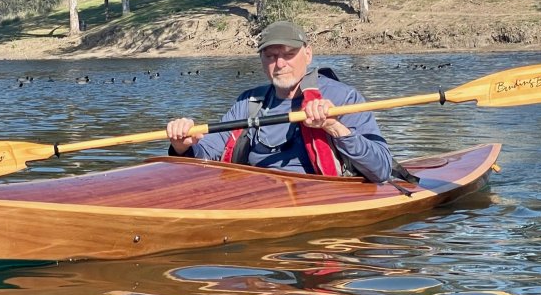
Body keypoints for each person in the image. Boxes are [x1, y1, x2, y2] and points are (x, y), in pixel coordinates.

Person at [166, 21, 393, 182]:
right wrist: (182, 145)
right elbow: (207, 154)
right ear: (262, 60)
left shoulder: (344, 97)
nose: (280, 64)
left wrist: (333, 125)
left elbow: (381, 170)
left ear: (308, 54)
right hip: (256, 195)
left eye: (288, 54)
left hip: (321, 197)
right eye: (271, 56)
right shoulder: (249, 102)